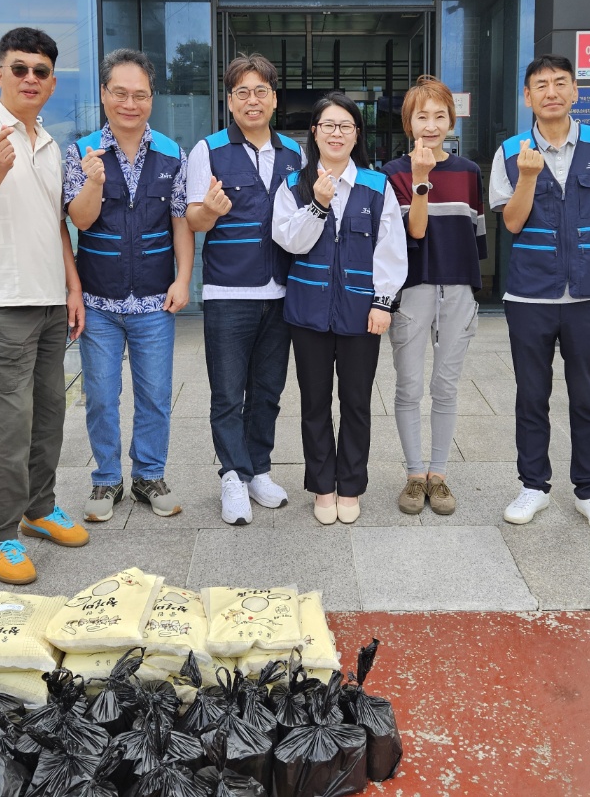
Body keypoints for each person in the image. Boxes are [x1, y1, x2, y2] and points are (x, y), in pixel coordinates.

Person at [0, 27, 87, 586]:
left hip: (50, 298)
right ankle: (0, 533)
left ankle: (39, 507)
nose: (30, 78)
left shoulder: (48, 141)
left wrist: (72, 287)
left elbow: (55, 225)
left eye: (41, 71)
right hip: (0, 303)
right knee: (9, 423)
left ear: (51, 82)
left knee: (50, 413)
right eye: (19, 68)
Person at [490, 54, 590, 533]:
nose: (551, 92)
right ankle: (533, 486)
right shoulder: (510, 151)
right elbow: (510, 223)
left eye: (560, 83)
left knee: (587, 397)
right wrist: (528, 176)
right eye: (540, 85)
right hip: (530, 295)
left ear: (574, 92)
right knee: (531, 396)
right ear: (526, 97)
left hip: (589, 295)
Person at [65, 49, 193, 522]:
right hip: (99, 301)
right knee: (100, 395)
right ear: (104, 95)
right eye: (119, 93)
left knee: (155, 394)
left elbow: (181, 221)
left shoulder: (171, 153)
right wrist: (93, 182)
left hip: (155, 300)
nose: (129, 103)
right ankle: (105, 481)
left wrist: (183, 279)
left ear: (151, 99)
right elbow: (79, 219)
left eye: (139, 95)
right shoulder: (81, 152)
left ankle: (149, 476)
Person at [272, 92, 407, 525]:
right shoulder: (293, 185)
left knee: (356, 402)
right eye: (327, 125)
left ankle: (350, 485)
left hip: (360, 313)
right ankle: (322, 485)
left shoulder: (376, 184)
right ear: (314, 133)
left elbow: (391, 248)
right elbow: (289, 241)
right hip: (308, 312)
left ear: (356, 135)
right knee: (313, 403)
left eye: (345, 125)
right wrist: (318, 204)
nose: (336, 133)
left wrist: (383, 302)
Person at [186, 54, 304, 525]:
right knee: (227, 393)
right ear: (230, 101)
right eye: (242, 93)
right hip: (228, 293)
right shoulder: (208, 150)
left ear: (274, 99)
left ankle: (259, 469)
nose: (252, 101)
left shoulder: (296, 153)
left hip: (282, 293)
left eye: (260, 92)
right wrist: (211, 210)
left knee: (269, 389)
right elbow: (194, 219)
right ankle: (231, 477)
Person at [382, 76, 487, 516]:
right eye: (421, 116)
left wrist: (469, 285)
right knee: (407, 386)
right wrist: (421, 180)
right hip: (413, 289)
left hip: (458, 287)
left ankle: (438, 475)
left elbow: (477, 235)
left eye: (439, 115)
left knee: (445, 386)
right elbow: (411, 233)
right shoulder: (391, 173)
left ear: (452, 119)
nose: (430, 124)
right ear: (409, 122)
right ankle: (412, 474)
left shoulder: (468, 172)